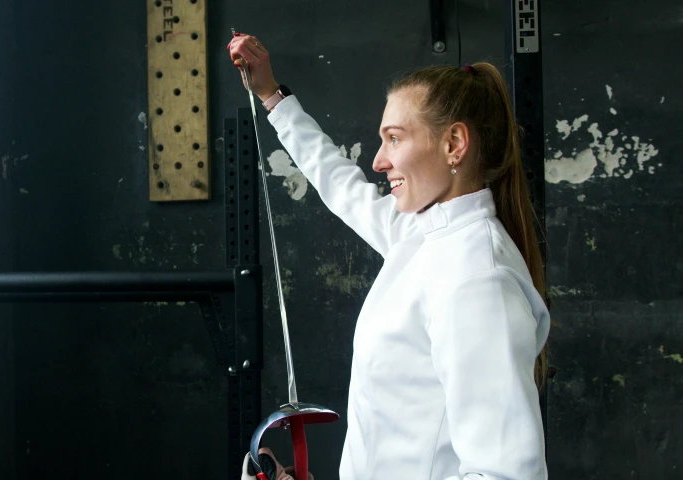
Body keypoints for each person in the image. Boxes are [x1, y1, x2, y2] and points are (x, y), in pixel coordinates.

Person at [229, 32, 551, 480]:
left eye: (394, 139)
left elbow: (506, 474)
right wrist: (271, 95)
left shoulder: (477, 281)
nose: (379, 160)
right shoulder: (420, 234)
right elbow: (337, 180)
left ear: (454, 144)